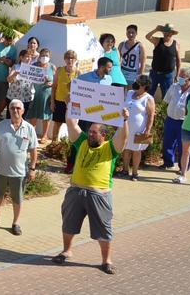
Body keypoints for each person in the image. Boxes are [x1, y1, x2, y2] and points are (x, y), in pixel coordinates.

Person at [54, 110, 129, 274]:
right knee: (68, 223)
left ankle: (106, 261)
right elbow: (71, 124)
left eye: (94, 133)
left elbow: (122, 136)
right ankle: (67, 251)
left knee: (103, 228)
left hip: (99, 195)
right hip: (76, 191)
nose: (90, 135)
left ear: (103, 134)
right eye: (90, 132)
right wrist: (71, 106)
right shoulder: (81, 141)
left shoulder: (110, 147)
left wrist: (124, 120)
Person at [0, 99, 39, 236]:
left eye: (18, 108)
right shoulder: (1, 126)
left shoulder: (29, 128)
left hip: (19, 172)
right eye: (12, 108)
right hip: (0, 169)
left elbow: (33, 150)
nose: (15, 110)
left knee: (17, 198)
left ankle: (15, 223)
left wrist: (32, 168)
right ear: (9, 110)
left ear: (23, 111)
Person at [119, 75, 156, 181]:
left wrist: (147, 130)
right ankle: (125, 170)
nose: (135, 83)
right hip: (126, 126)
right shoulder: (130, 93)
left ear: (144, 86)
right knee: (126, 148)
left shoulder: (148, 98)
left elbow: (151, 116)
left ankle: (135, 173)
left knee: (136, 151)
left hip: (139, 129)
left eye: (138, 82)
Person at [161, 67, 190, 170]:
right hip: (170, 119)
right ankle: (168, 163)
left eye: (183, 77)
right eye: (180, 77)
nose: (180, 79)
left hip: (184, 122)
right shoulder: (174, 87)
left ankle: (183, 167)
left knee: (184, 146)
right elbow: (166, 101)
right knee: (168, 142)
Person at [48, 50, 81, 143]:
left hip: (73, 103)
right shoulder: (59, 70)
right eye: (68, 58)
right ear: (64, 59)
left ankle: (69, 145)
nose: (70, 60)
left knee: (72, 125)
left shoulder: (78, 72)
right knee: (57, 123)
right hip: (59, 100)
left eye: (72, 58)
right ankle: (53, 144)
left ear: (76, 60)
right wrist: (52, 102)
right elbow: (54, 86)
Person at [146, 24, 180, 98]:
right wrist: (156, 29)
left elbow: (178, 60)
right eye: (165, 32)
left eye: (169, 32)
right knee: (148, 94)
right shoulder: (158, 41)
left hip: (167, 75)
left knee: (167, 96)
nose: (166, 33)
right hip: (154, 73)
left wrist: (177, 74)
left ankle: (164, 109)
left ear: (172, 33)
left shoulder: (176, 44)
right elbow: (147, 37)